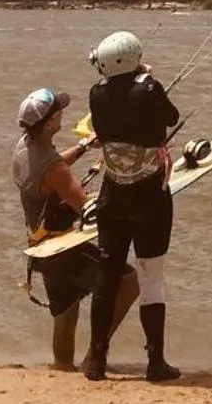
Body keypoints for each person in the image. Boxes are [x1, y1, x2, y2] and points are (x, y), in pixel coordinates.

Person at [12, 87, 139, 372]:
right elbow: (88, 209)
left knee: (66, 312)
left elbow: (51, 166)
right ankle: (94, 354)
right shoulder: (54, 170)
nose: (62, 113)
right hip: (64, 250)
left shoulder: (25, 146)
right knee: (129, 283)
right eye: (58, 112)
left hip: (41, 248)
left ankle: (62, 367)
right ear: (48, 124)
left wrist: (83, 146)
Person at [82, 31, 182, 383]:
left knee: (107, 277)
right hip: (150, 198)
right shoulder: (149, 88)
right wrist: (148, 79)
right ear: (134, 59)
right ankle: (155, 361)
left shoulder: (96, 94)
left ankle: (96, 360)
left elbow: (116, 108)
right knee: (151, 276)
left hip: (113, 196)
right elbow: (171, 116)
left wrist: (140, 79)